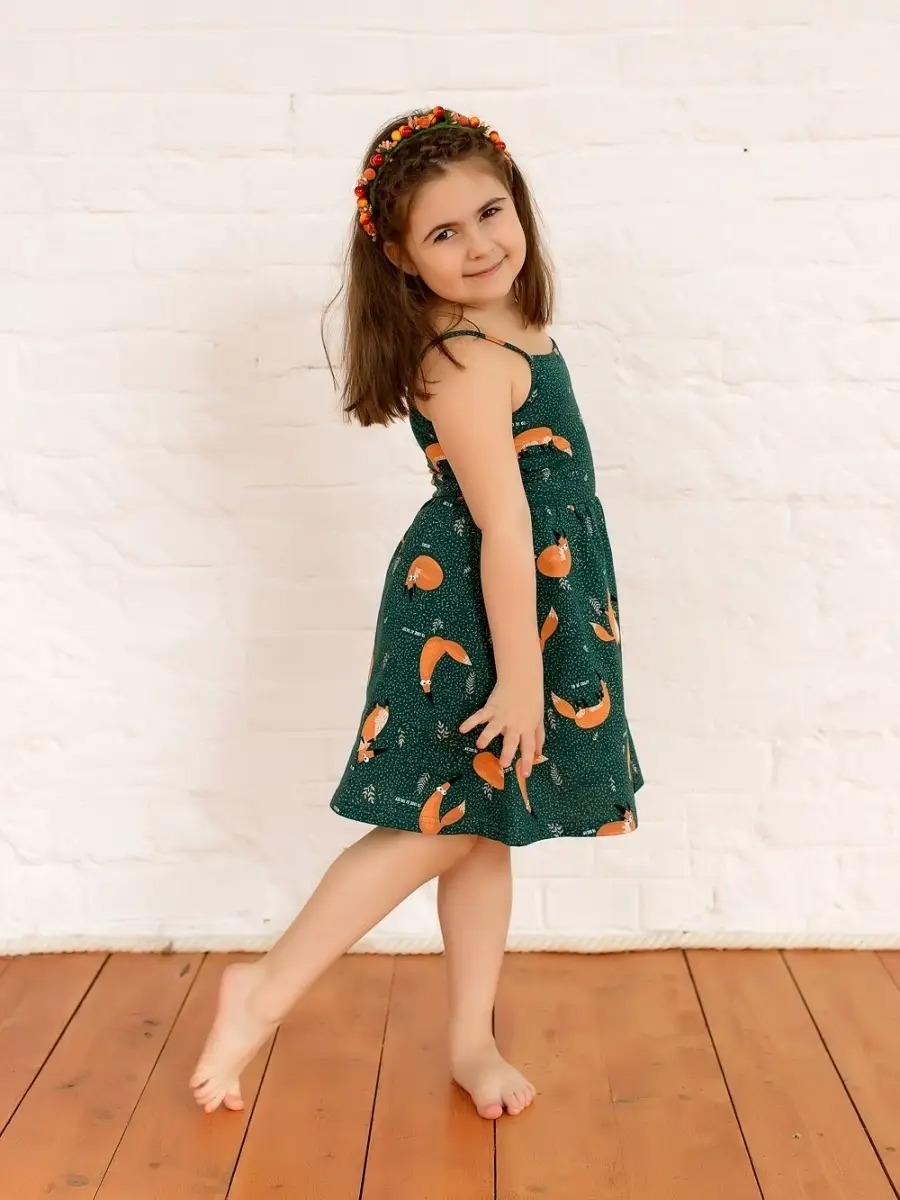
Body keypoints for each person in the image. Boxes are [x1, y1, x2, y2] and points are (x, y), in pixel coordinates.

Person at [190, 105, 644, 1120]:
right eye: (444, 233)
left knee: (483, 830)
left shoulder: (512, 322)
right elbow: (503, 526)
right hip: (477, 614)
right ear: (399, 256)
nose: (479, 244)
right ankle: (261, 989)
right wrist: (521, 676)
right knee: (435, 827)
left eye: (491, 213)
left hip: (526, 597)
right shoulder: (465, 357)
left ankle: (473, 1040)